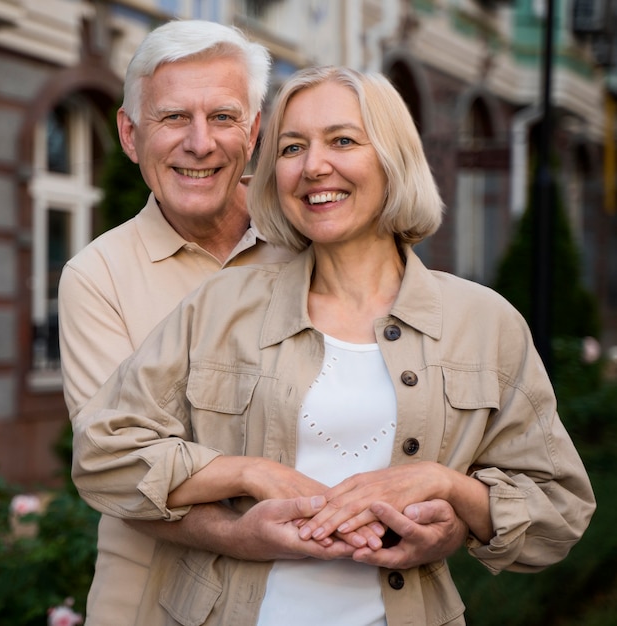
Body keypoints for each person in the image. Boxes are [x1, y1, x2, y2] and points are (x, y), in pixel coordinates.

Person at [70, 65, 596, 625]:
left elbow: (557, 513)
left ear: (392, 160)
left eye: (343, 140)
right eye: (292, 148)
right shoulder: (222, 306)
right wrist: (247, 473)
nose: (314, 166)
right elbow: (104, 452)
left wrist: (452, 494)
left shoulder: (483, 322)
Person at [60, 22, 467, 626]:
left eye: (224, 117)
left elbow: (425, 420)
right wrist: (248, 511)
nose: (200, 144)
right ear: (129, 133)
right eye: (173, 117)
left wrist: (450, 518)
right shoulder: (96, 277)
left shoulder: (325, 229)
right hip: (150, 600)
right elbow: (118, 468)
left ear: (254, 133)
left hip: (353, 595)